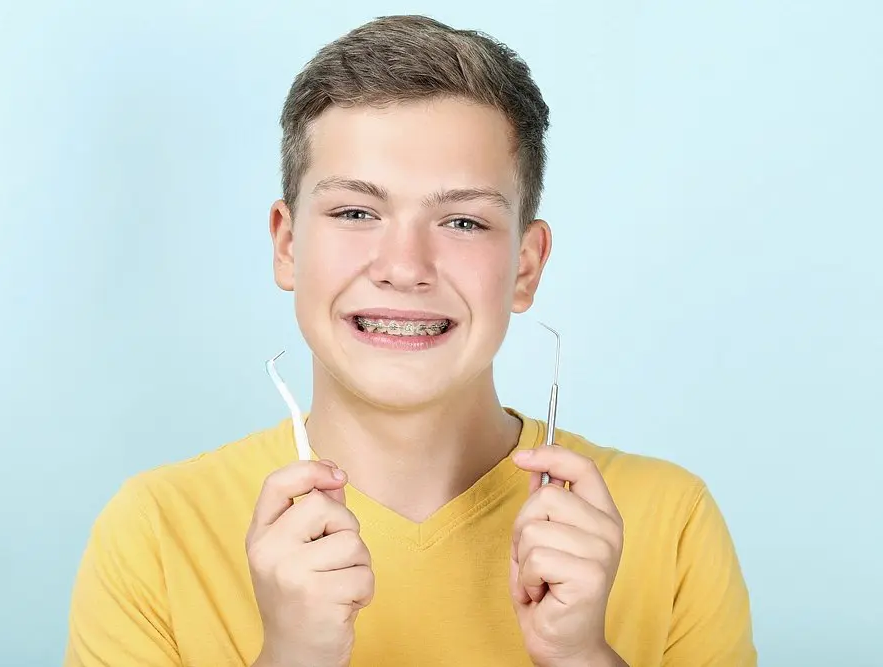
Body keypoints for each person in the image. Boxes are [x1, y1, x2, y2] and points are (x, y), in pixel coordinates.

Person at [63, 14, 756, 667]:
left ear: (526, 266)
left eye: (463, 222)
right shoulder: (155, 533)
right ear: (287, 245)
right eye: (355, 212)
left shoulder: (669, 521)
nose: (403, 267)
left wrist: (582, 656)